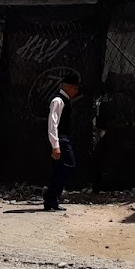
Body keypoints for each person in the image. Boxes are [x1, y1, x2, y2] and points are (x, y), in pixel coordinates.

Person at [43, 71, 81, 212]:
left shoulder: (64, 101)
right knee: (67, 166)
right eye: (74, 87)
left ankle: (52, 200)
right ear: (67, 86)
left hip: (64, 139)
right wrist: (56, 145)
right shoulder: (58, 101)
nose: (76, 90)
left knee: (59, 170)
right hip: (61, 140)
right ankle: (51, 198)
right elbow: (53, 124)